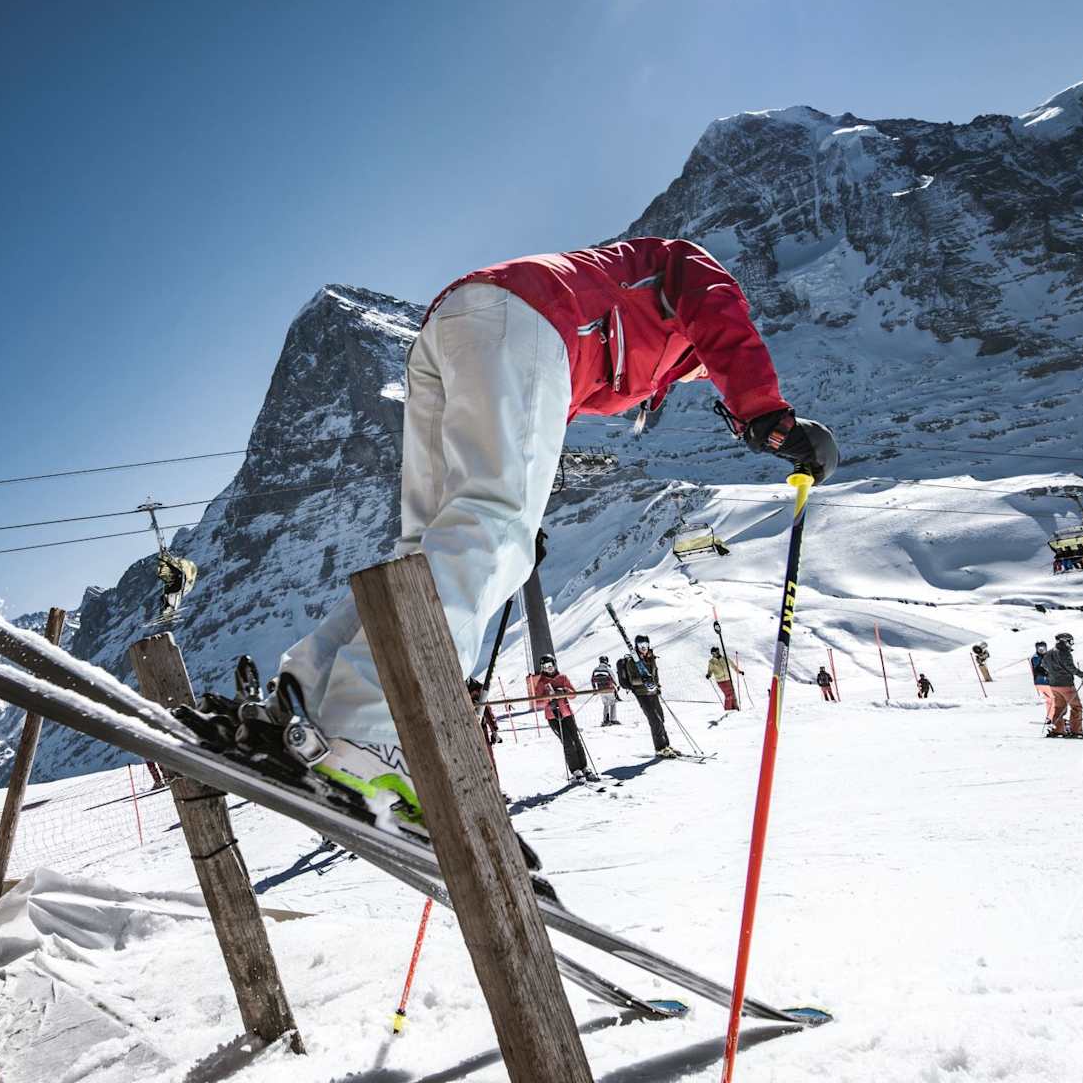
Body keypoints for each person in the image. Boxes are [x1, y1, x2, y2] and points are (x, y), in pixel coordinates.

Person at [266, 238, 835, 823]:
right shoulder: (689, 279)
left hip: (459, 325)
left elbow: (535, 410)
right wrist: (765, 414)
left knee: (428, 546)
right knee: (489, 527)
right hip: (525, 317)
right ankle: (369, 732)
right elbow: (714, 306)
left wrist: (522, 514)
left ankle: (302, 696)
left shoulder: (626, 332)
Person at [528, 655, 593, 781]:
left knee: (576, 739)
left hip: (567, 713)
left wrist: (564, 690)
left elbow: (573, 694)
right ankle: (575, 770)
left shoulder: (562, 678)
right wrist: (548, 698)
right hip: (553, 716)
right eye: (545, 667)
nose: (549, 669)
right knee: (567, 742)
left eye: (550, 665)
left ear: (555, 664)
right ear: (542, 668)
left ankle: (584, 767)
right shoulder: (541, 682)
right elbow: (537, 702)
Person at [617, 635, 678, 757]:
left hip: (653, 692)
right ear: (636, 646)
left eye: (645, 644)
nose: (643, 647)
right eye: (640, 645)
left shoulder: (651, 658)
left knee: (660, 717)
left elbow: (655, 675)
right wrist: (643, 681)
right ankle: (660, 748)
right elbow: (632, 680)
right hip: (642, 694)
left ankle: (666, 745)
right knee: (654, 720)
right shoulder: (632, 661)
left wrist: (657, 686)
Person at [1041, 632, 1083, 737]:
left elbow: (1043, 666)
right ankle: (1076, 731)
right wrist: (1082, 675)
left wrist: (1053, 674)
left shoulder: (1049, 653)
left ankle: (1058, 730)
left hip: (1053, 685)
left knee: (1059, 708)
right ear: (1064, 641)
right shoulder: (1064, 653)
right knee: (1076, 707)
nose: (1071, 644)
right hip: (1066, 685)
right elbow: (1071, 668)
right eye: (1070, 641)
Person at [591, 655, 621, 726]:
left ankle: (605, 720)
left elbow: (592, 680)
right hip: (609, 689)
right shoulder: (608, 669)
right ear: (606, 661)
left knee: (605, 704)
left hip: (601, 690)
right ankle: (613, 719)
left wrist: (594, 688)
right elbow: (614, 678)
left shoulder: (595, 669)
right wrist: (617, 687)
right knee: (613, 703)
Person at [707, 646, 739, 711]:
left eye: (717, 651)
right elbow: (710, 670)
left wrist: (739, 671)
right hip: (720, 680)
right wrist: (709, 675)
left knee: (732, 694)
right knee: (728, 695)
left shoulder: (724, 658)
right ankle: (728, 709)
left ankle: (735, 708)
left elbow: (732, 665)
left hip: (728, 679)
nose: (716, 653)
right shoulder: (712, 662)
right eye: (714, 653)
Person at [1030, 640, 1053, 724]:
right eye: (1039, 648)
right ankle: (1053, 717)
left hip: (1046, 682)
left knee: (1050, 700)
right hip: (1042, 682)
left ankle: (1050, 717)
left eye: (1043, 648)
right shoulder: (1036, 657)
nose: (1041, 650)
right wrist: (1047, 673)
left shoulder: (1046, 656)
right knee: (1053, 699)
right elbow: (1038, 669)